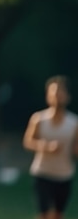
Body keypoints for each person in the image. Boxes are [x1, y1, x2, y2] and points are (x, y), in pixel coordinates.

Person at [23, 75, 78, 219]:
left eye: (61, 92)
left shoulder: (74, 123)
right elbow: (27, 141)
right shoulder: (38, 119)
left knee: (57, 215)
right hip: (42, 173)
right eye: (54, 92)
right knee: (44, 215)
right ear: (48, 96)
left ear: (67, 96)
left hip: (64, 175)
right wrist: (45, 147)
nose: (57, 96)